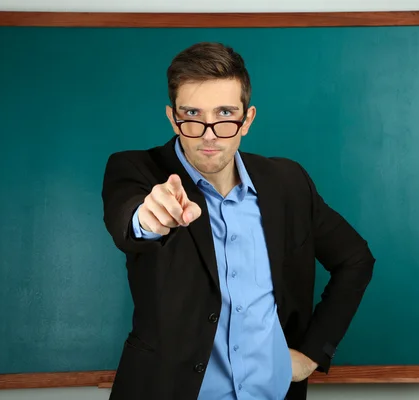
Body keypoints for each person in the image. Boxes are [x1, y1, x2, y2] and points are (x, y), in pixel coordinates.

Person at [101, 42, 375, 400]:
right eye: (193, 115)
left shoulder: (287, 182)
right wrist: (150, 219)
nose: (209, 133)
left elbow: (355, 258)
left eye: (225, 114)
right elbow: (130, 219)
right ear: (173, 117)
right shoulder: (137, 170)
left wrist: (312, 352)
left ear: (247, 119)